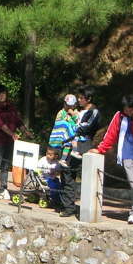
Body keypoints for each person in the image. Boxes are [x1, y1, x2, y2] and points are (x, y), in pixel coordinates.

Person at [91, 95, 133, 222]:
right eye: (126, 108)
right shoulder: (119, 116)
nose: (128, 111)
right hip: (127, 155)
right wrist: (101, 149)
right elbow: (111, 134)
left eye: (131, 109)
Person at [58, 86, 102, 217]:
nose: (79, 100)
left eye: (82, 98)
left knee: (85, 176)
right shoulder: (77, 111)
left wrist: (74, 124)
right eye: (79, 97)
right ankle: (68, 207)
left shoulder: (94, 112)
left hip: (84, 145)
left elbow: (86, 128)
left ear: (89, 99)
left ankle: (87, 209)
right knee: (67, 175)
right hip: (70, 143)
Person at [0, 84, 26, 200]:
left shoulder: (12, 107)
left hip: (10, 141)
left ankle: (3, 188)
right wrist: (12, 134)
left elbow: (18, 121)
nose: (2, 95)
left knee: (5, 165)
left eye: (3, 93)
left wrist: (26, 131)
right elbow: (0, 124)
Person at [49, 94, 78, 164]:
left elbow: (77, 122)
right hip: (64, 137)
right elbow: (58, 125)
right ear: (64, 104)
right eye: (68, 105)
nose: (70, 107)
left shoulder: (76, 112)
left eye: (72, 105)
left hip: (73, 136)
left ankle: (74, 151)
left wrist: (73, 115)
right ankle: (62, 159)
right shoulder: (61, 113)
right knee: (66, 147)